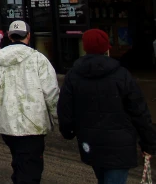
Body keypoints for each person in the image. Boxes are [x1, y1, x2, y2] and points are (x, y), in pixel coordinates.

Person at [58, 28, 156, 184]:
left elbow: (65, 109)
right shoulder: (122, 74)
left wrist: (68, 131)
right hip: (120, 144)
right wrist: (148, 142)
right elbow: (139, 111)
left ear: (85, 47)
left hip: (91, 142)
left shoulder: (73, 76)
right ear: (106, 48)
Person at [0, 20, 59, 184]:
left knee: (19, 160)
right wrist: (58, 117)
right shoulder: (39, 59)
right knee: (30, 168)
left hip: (7, 123)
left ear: (9, 36)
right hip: (34, 123)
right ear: (29, 36)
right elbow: (51, 91)